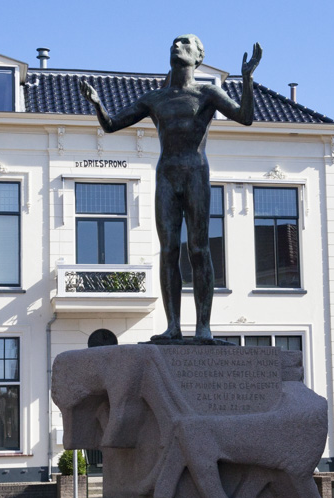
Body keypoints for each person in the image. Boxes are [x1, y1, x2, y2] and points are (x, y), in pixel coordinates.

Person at [79, 35, 262, 342]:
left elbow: (245, 117)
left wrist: (247, 79)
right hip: (166, 174)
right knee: (168, 251)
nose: (178, 46)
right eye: (175, 43)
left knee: (199, 249)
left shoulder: (208, 93)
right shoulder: (155, 99)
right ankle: (173, 326)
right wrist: (97, 103)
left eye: (186, 44)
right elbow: (111, 125)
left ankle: (203, 327)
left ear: (198, 56)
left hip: (195, 173)